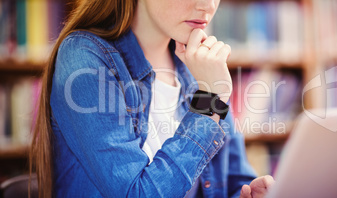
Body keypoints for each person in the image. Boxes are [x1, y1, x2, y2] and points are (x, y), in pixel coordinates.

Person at [30, 0, 275, 197]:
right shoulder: (84, 59)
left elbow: (233, 181)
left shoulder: (198, 66)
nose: (208, 5)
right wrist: (209, 99)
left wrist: (249, 193)